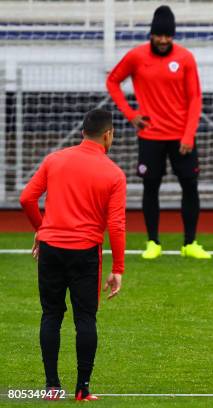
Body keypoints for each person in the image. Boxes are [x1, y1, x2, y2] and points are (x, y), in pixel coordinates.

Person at [19, 109, 126, 401]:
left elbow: (27, 198)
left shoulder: (55, 160)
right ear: (108, 135)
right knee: (85, 320)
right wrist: (118, 268)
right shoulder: (114, 174)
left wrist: (43, 230)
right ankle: (82, 389)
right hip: (85, 254)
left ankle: (52, 388)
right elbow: (116, 224)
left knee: (51, 315)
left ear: (82, 132)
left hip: (52, 250)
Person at [106, 5, 210, 260]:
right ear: (151, 34)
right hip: (150, 136)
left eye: (168, 36)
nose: (163, 40)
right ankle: (153, 242)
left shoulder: (185, 58)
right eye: (159, 35)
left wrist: (188, 134)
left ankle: (190, 243)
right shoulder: (136, 56)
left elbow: (195, 97)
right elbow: (113, 82)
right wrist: (131, 115)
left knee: (190, 186)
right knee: (150, 187)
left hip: (181, 137)